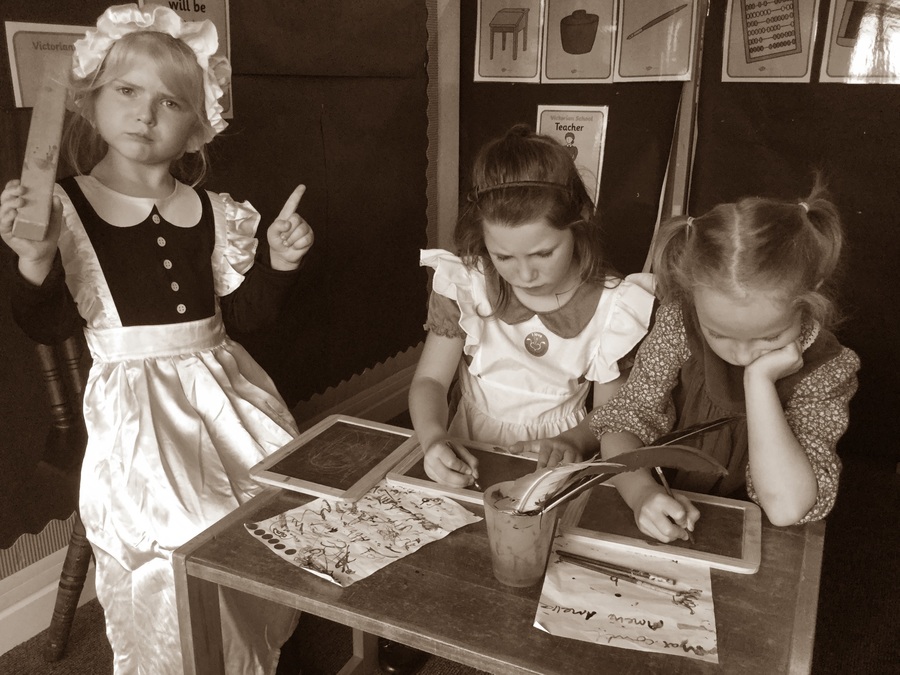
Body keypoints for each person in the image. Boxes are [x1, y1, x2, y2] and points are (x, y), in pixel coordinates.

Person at [0, 5, 312, 673]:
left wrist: (280, 262)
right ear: (93, 100)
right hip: (137, 406)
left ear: (198, 128)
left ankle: (247, 647)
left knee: (283, 494)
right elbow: (46, 324)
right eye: (128, 92)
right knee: (189, 529)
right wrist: (33, 263)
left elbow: (248, 316)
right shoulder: (65, 206)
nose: (145, 114)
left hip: (223, 387)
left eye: (170, 102)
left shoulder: (213, 211)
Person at [576, 179, 860, 544]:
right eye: (718, 334)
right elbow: (623, 422)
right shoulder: (679, 323)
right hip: (657, 515)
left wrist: (758, 383)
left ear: (812, 294)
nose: (741, 355)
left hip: (759, 542)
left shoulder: (828, 369)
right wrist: (641, 494)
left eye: (769, 336)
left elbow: (786, 507)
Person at [409, 124, 655, 488]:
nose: (524, 274)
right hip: (468, 449)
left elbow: (609, 413)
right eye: (503, 256)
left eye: (543, 253)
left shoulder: (614, 307)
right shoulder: (468, 284)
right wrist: (432, 438)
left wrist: (573, 440)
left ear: (580, 221)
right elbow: (430, 379)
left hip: (554, 460)